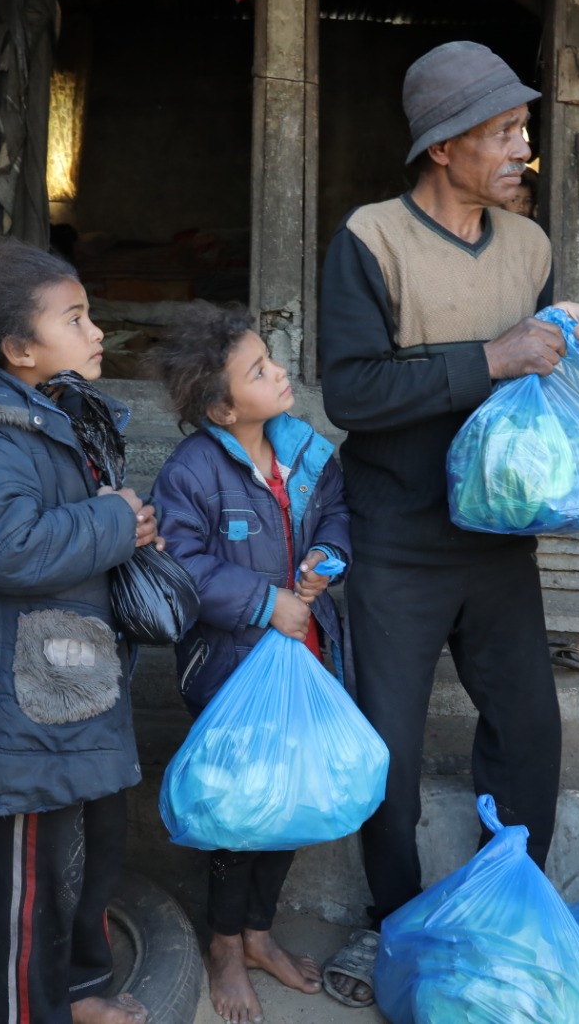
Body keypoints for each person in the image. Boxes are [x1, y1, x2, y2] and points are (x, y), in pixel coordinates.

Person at [316, 40, 579, 1008]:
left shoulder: (530, 246)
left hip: (497, 539)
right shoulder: (370, 240)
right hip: (395, 534)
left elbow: (542, 372)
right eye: (503, 131)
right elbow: (349, 388)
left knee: (529, 733)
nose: (523, 148)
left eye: (523, 130)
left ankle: (500, 907)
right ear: (442, 147)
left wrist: (569, 355)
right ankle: (391, 921)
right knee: (385, 753)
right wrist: (492, 354)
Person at [0, 240, 158, 1024]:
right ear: (20, 349)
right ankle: (28, 1013)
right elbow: (7, 550)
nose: (96, 332)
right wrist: (114, 519)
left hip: (74, 677)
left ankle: (83, 990)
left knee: (94, 857)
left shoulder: (56, 417)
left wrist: (125, 528)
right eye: (76, 318)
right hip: (24, 706)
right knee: (36, 878)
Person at [148, 301, 353, 1024]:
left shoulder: (304, 448)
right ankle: (225, 946)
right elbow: (184, 567)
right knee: (240, 816)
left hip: (306, 659)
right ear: (220, 407)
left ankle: (260, 934)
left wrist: (329, 556)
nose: (280, 372)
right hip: (232, 671)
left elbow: (335, 512)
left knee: (289, 804)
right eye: (259, 370)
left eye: (271, 361)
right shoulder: (191, 472)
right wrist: (268, 604)